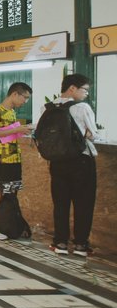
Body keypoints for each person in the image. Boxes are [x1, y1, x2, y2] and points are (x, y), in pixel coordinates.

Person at [47, 74, 97, 256]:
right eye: (84, 90)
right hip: (81, 162)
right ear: (72, 89)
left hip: (58, 162)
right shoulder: (82, 107)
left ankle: (60, 243)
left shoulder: (50, 107)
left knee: (60, 204)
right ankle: (81, 245)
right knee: (83, 204)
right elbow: (93, 134)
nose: (86, 94)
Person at [0, 81, 33, 240]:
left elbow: (8, 134)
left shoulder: (11, 112)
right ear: (15, 94)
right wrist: (17, 129)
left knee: (9, 192)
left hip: (13, 157)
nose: (25, 102)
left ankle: (5, 223)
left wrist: (23, 132)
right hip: (0, 158)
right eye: (25, 98)